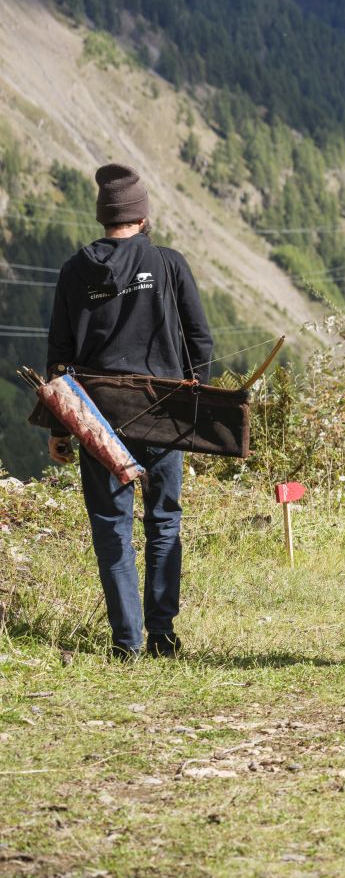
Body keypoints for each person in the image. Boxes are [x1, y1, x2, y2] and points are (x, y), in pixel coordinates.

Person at [45, 164, 213, 660]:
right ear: (141, 214)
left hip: (98, 418)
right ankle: (162, 635)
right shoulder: (167, 263)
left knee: (111, 525)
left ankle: (127, 643)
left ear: (104, 215)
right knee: (164, 520)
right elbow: (199, 338)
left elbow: (59, 355)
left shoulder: (75, 271)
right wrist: (193, 397)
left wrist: (61, 427)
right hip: (162, 413)